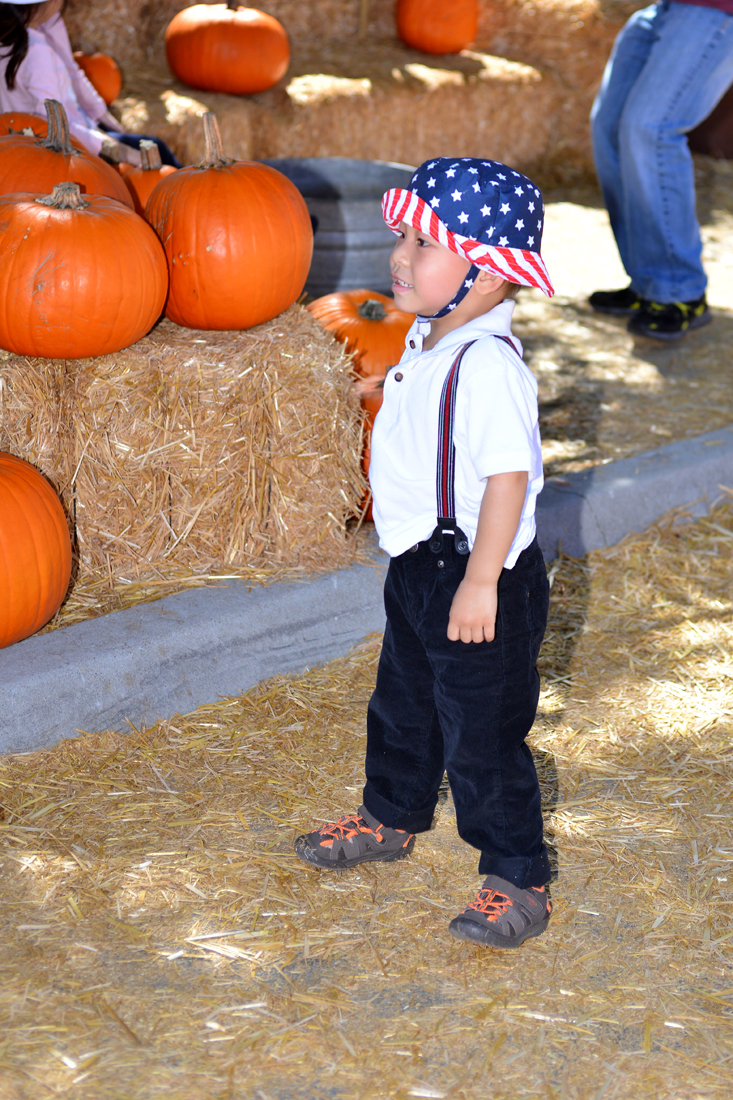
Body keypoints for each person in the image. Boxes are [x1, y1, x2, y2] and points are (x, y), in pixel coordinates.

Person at [294, 157, 556, 949]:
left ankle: (517, 873)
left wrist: (480, 582)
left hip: (478, 573)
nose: (399, 255)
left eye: (425, 242)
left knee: (481, 729)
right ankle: (393, 815)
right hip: (418, 564)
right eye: (402, 235)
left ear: (485, 273)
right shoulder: (427, 334)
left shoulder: (488, 367)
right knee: (403, 701)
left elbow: (508, 480)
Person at [590, 0, 733, 341]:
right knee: (608, 127)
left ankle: (680, 291)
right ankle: (649, 282)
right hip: (666, 8)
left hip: (715, 9)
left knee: (651, 129)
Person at [0, 0, 180, 167]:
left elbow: (71, 70)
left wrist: (101, 114)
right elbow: (55, 125)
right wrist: (121, 151)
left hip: (44, 136)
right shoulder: (37, 53)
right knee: (157, 148)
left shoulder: (13, 38)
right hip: (66, 146)